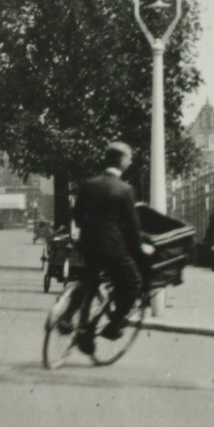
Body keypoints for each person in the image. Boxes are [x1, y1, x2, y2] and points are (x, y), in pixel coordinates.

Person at [61, 142, 145, 350]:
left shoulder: (88, 184)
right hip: (113, 249)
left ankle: (68, 317)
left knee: (88, 282)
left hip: (88, 245)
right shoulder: (124, 189)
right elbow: (132, 227)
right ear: (122, 161)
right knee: (133, 283)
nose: (130, 162)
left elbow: (77, 214)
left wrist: (90, 231)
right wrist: (139, 250)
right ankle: (113, 326)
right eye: (129, 158)